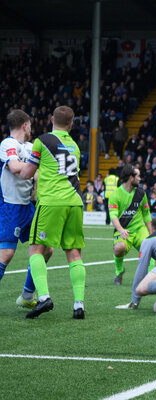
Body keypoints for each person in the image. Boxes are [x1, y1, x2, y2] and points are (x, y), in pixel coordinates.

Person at [19, 105, 86, 319]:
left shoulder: (42, 141)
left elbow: (27, 173)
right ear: (71, 123)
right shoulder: (75, 146)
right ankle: (79, 305)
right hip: (75, 202)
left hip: (52, 202)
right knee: (74, 253)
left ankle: (44, 297)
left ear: (51, 119)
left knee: (36, 250)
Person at [0, 110, 53, 308]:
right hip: (10, 206)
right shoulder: (8, 144)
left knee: (46, 249)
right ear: (25, 125)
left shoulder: (30, 147)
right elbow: (15, 167)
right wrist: (33, 168)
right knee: (6, 254)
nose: (31, 129)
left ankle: (27, 296)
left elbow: (40, 172)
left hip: (28, 207)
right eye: (30, 125)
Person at [109, 164, 153, 285]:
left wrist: (151, 232)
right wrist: (121, 229)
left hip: (139, 229)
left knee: (149, 247)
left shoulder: (141, 194)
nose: (140, 178)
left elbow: (146, 213)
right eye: (137, 176)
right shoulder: (115, 195)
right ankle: (119, 272)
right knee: (119, 248)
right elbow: (113, 215)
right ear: (131, 177)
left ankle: (150, 277)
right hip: (123, 230)